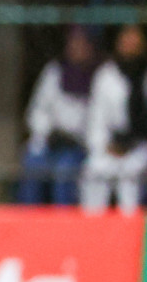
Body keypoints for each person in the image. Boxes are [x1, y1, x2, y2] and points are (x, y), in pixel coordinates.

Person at [81, 24, 147, 213]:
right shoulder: (106, 74)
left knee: (130, 173)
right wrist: (104, 146)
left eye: (136, 37)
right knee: (95, 169)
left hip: (145, 145)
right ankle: (91, 228)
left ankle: (129, 229)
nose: (131, 42)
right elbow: (96, 120)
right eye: (126, 37)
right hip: (111, 145)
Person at [17, 26, 95, 205]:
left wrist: (74, 136)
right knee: (32, 162)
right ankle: (28, 223)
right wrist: (47, 132)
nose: (76, 48)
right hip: (50, 141)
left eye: (82, 43)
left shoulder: (99, 74)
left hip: (79, 145)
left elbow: (98, 119)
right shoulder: (55, 71)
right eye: (73, 43)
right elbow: (37, 110)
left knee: (64, 170)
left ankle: (64, 226)